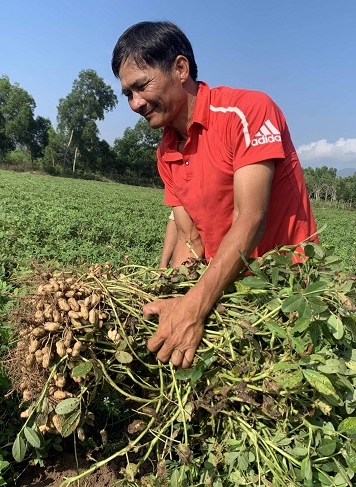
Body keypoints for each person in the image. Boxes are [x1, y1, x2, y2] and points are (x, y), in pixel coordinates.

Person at [111, 21, 317, 369]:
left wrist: (193, 308)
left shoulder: (246, 111)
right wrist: (176, 296)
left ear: (180, 68)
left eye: (141, 87)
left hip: (285, 295)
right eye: (127, 94)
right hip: (223, 293)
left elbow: (250, 218)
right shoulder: (166, 152)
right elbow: (188, 238)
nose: (135, 103)